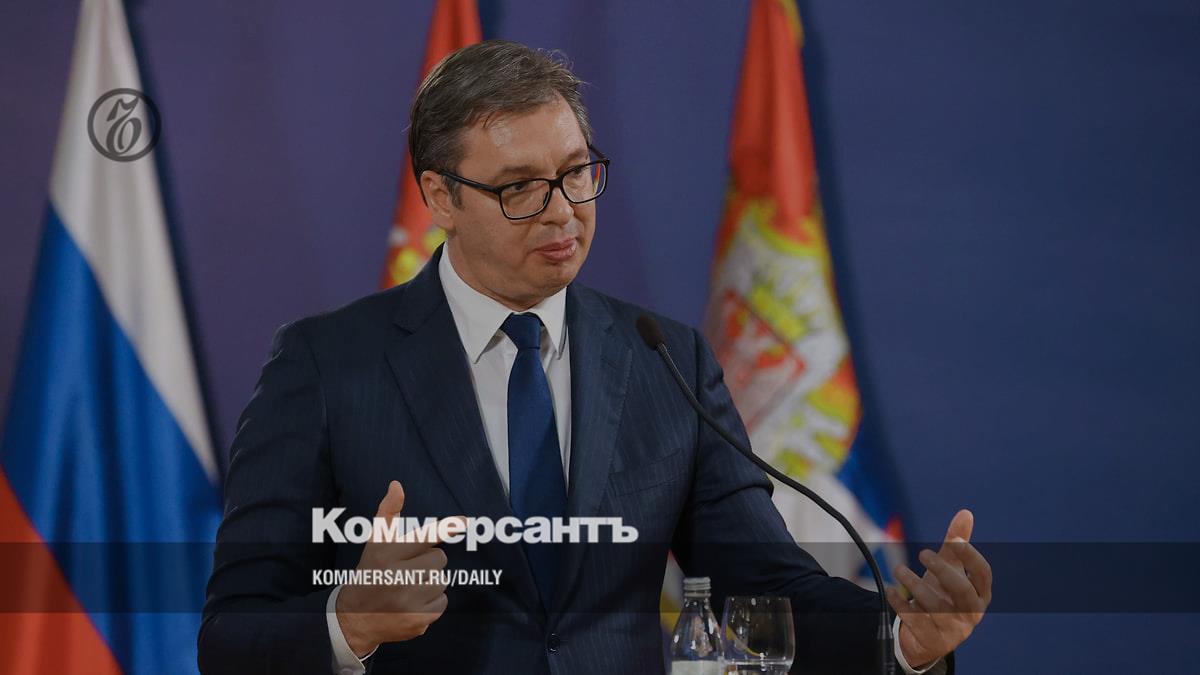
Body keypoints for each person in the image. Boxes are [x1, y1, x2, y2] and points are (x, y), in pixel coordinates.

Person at [198, 40, 991, 675]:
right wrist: (348, 621)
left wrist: (902, 638)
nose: (564, 213)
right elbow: (231, 633)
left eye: (577, 173)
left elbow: (764, 584)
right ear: (440, 197)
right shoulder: (325, 367)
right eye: (520, 188)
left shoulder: (665, 360)